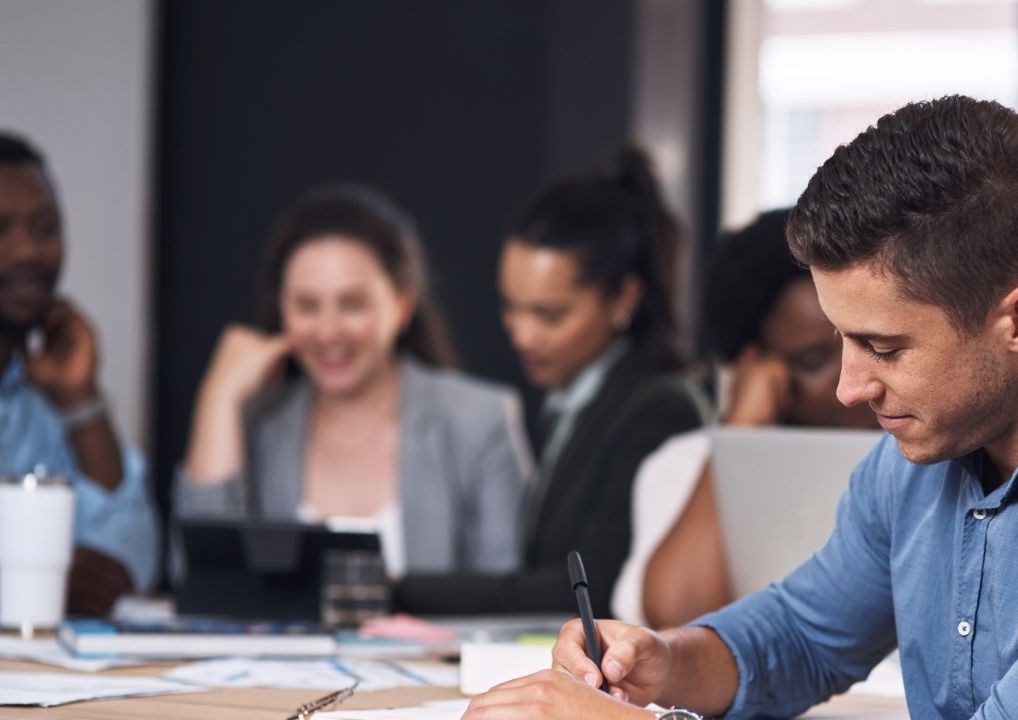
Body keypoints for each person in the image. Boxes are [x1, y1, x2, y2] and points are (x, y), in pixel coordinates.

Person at [461, 96, 1018, 719]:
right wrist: (663, 664)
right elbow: (800, 635)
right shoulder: (930, 447)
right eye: (840, 341)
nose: (848, 387)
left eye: (883, 347)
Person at [395, 147, 705, 616]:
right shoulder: (576, 399)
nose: (522, 333)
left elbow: (592, 587)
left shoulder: (658, 409)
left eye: (549, 314)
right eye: (510, 306)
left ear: (623, 298)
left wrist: (398, 589)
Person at [175, 185, 529, 577]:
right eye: (307, 306)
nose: (328, 332)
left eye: (353, 304)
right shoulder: (258, 423)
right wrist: (219, 398)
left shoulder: (478, 420)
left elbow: (507, 597)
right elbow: (199, 579)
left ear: (403, 305)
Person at [610, 208, 875, 628]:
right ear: (756, 363)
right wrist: (739, 433)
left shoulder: (934, 449)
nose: (854, 377)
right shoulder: (684, 462)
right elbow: (679, 619)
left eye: (871, 342)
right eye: (812, 360)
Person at [0, 131, 158, 614]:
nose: (28, 252)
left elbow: (133, 560)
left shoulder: (39, 401)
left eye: (46, 229)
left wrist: (81, 401)